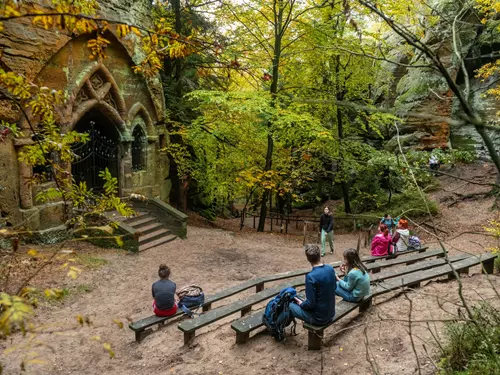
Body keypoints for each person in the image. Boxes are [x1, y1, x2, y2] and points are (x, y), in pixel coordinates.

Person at [290, 244, 336, 325]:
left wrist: (301, 304)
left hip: (319, 318)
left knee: (289, 306)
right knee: (299, 298)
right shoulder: (330, 268)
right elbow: (334, 288)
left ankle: (275, 329)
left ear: (308, 258)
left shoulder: (310, 277)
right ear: (319, 256)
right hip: (331, 313)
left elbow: (310, 304)